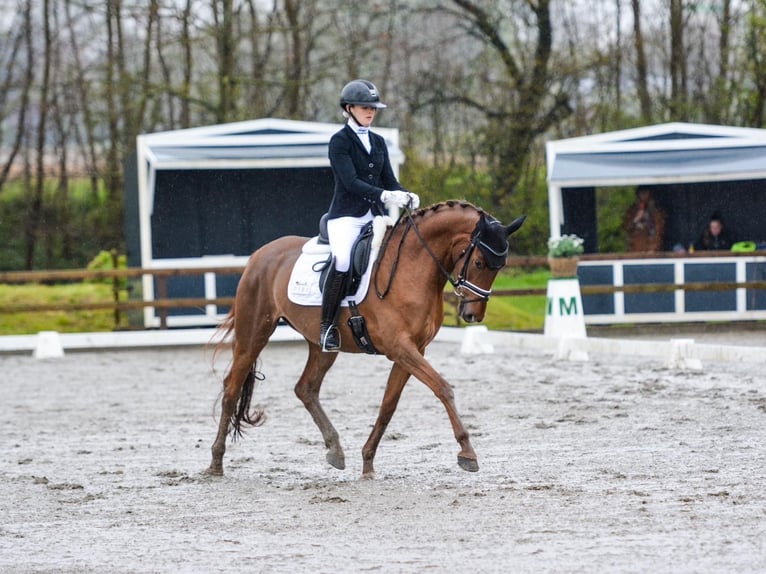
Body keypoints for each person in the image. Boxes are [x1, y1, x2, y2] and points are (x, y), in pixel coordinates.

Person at [320, 79, 419, 352]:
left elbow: (389, 179)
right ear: (349, 108)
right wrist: (385, 196)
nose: (371, 112)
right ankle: (327, 326)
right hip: (346, 217)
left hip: (375, 217)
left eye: (373, 108)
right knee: (341, 261)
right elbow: (350, 182)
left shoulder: (378, 141)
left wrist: (405, 194)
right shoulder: (339, 142)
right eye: (365, 107)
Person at [623, 187, 666, 252]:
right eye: (641, 193)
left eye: (646, 193)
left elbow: (659, 232)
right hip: (635, 249)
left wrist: (653, 248)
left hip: (652, 250)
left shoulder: (657, 211)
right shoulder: (632, 211)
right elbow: (626, 228)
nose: (643, 196)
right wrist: (636, 219)